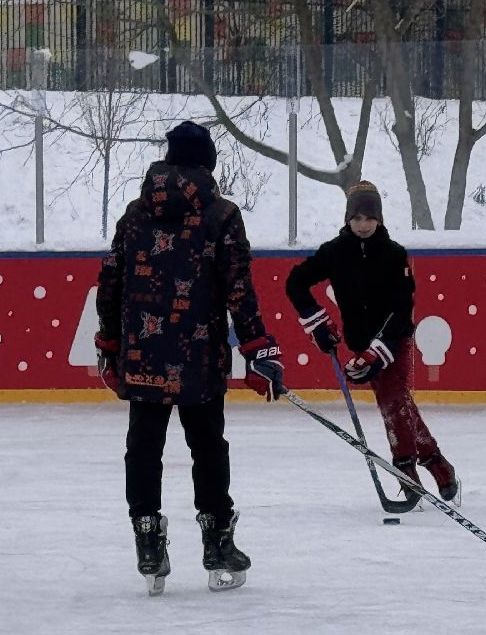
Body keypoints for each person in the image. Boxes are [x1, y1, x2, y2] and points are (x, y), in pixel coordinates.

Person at [94, 121, 284, 593]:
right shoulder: (221, 216)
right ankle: (218, 539)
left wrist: (110, 346)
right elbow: (238, 288)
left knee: (144, 448)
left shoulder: (134, 216)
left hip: (144, 355)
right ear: (207, 163)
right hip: (199, 355)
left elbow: (110, 285)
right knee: (207, 446)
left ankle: (147, 539)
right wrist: (259, 349)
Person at [285, 180, 460, 508]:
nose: (363, 225)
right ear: (348, 219)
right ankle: (437, 463)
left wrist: (377, 352)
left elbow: (401, 308)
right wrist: (318, 324)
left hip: (396, 339)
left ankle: (405, 468)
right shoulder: (334, 252)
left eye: (369, 218)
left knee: (393, 400)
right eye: (357, 218)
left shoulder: (394, 255)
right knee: (398, 402)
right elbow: (295, 282)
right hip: (362, 343)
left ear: (379, 219)